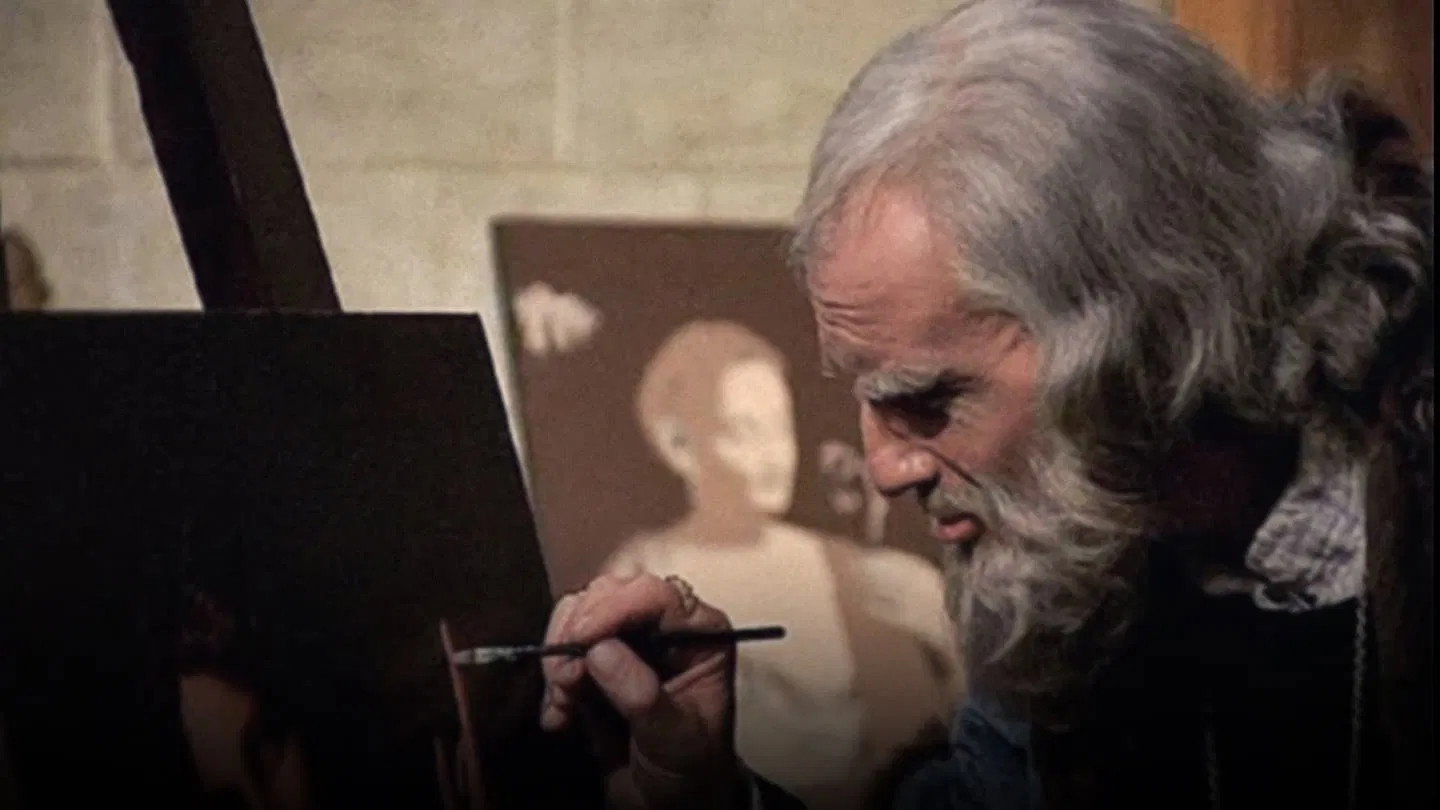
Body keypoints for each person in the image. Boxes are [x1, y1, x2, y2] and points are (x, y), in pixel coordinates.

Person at [537, 1, 1433, 808]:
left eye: (931, 398)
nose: (885, 468)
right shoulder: (1070, 554)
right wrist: (705, 788)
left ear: (1151, 330)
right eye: (867, 395)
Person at [602, 320, 962, 810]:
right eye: (745, 432)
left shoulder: (855, 571)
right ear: (679, 445)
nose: (774, 455)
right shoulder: (642, 573)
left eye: (779, 427)